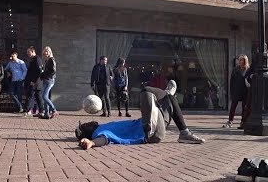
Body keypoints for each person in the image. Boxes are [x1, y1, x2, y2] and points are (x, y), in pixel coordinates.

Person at [76, 80, 206, 149]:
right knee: (146, 91)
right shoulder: (100, 132)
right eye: (85, 125)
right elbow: (104, 140)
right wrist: (92, 143)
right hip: (149, 131)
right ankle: (165, 94)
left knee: (171, 99)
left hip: (155, 125)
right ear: (88, 130)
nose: (88, 122)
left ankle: (184, 133)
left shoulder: (102, 128)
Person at [223, 54, 249, 128]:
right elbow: (231, 82)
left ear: (245, 61)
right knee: (233, 106)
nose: (240, 61)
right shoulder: (235, 69)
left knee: (245, 107)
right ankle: (230, 121)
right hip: (236, 90)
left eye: (242, 60)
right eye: (239, 60)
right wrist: (232, 91)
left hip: (245, 91)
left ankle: (243, 122)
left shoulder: (248, 69)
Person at [24, 46, 44, 116]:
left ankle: (26, 110)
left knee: (30, 95)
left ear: (33, 51)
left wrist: (34, 81)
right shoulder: (33, 59)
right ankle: (41, 111)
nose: (27, 54)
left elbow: (39, 71)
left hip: (36, 82)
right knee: (38, 97)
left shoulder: (37, 59)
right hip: (35, 82)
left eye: (28, 52)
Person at [39, 46, 57, 119]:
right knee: (46, 97)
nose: (45, 53)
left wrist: (45, 74)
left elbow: (53, 71)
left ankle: (53, 110)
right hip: (46, 80)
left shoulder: (51, 60)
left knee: (44, 96)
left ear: (49, 52)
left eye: (46, 52)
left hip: (50, 80)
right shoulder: (47, 61)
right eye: (44, 52)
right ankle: (46, 114)